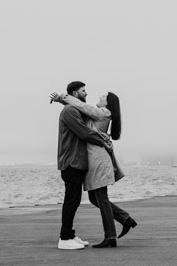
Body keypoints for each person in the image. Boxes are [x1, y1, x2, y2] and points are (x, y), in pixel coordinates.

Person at [51, 86, 137, 248]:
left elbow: (83, 107)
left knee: (101, 198)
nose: (99, 97)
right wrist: (64, 102)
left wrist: (63, 97)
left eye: (103, 96)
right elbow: (79, 111)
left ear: (108, 102)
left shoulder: (104, 112)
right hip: (94, 158)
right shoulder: (97, 113)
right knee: (94, 198)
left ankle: (110, 236)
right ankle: (125, 219)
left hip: (98, 159)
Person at [55, 80, 115, 250]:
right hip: (71, 161)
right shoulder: (70, 111)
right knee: (71, 200)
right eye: (83, 91)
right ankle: (64, 238)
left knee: (74, 200)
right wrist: (103, 141)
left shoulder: (76, 110)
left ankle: (70, 235)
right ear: (75, 94)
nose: (87, 93)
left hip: (78, 161)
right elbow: (85, 133)